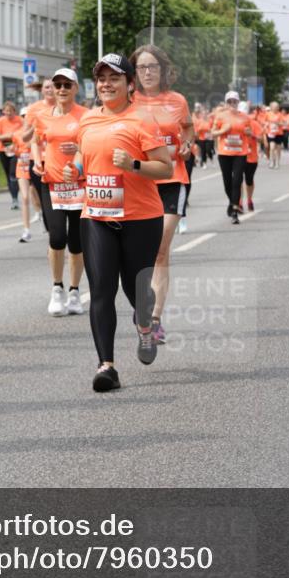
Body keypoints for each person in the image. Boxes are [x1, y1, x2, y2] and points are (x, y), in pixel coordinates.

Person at [66, 54, 173, 392]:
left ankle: (145, 325)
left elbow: (166, 168)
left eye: (114, 78)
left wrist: (134, 165)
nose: (106, 84)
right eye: (101, 78)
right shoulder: (87, 120)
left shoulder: (143, 121)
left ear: (130, 85)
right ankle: (106, 366)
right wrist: (76, 170)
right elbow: (84, 157)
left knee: (136, 289)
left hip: (141, 217)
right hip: (97, 215)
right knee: (101, 289)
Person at [130, 44, 194, 344]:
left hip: (172, 179)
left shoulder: (177, 100)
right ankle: (141, 302)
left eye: (152, 67)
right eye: (141, 67)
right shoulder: (128, 102)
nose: (147, 72)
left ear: (162, 70)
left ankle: (154, 318)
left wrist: (187, 144)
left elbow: (188, 128)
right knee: (137, 255)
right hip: (141, 183)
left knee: (160, 250)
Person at [32, 68, 87, 316]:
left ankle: (75, 291)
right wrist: (37, 161)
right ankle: (57, 288)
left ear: (75, 88)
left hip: (78, 184)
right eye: (58, 85)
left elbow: (92, 145)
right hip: (52, 183)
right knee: (56, 237)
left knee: (76, 242)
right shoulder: (43, 116)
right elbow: (35, 141)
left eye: (67, 85)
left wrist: (78, 150)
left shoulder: (86, 116)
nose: (62, 89)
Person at [212, 91, 253, 223]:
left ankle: (235, 209)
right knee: (227, 182)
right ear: (226, 102)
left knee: (237, 181)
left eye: (234, 101)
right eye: (229, 101)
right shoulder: (220, 116)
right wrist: (223, 131)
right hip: (224, 153)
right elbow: (213, 133)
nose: (232, 104)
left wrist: (248, 132)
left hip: (240, 153)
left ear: (238, 102)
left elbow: (249, 133)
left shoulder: (245, 117)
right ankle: (232, 202)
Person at [22, 78, 56, 229]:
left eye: (53, 87)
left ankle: (59, 230)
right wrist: (34, 126)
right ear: (42, 90)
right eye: (47, 87)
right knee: (45, 200)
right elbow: (24, 138)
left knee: (61, 200)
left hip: (57, 160)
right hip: (37, 161)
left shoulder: (62, 107)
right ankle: (52, 233)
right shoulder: (34, 108)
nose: (50, 90)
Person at [0, 101, 23, 209]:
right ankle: (13, 198)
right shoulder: (1, 121)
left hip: (16, 151)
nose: (8, 113)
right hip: (3, 150)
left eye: (10, 111)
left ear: (15, 111)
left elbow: (23, 135)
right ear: (3, 112)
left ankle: (15, 199)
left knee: (13, 174)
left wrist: (14, 138)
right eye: (6, 111)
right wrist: (8, 136)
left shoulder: (20, 120)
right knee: (8, 175)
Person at [240, 101, 262, 211]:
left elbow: (261, 139)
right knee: (238, 179)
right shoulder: (235, 123)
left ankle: (249, 199)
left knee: (249, 180)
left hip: (251, 157)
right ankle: (239, 202)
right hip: (238, 155)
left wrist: (251, 134)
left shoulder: (254, 124)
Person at [265, 101, 284, 168]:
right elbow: (265, 122)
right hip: (271, 133)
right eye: (274, 107)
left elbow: (283, 124)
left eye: (277, 107)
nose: (276, 108)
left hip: (279, 133)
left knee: (278, 149)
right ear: (271, 107)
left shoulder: (280, 114)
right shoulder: (268, 114)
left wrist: (277, 123)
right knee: (272, 148)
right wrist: (266, 125)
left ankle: (278, 162)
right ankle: (272, 162)